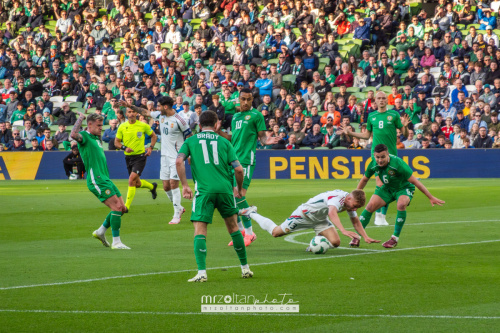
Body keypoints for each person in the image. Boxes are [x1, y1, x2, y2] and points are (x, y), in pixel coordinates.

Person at [175, 110, 252, 282]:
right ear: (217, 124)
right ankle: (245, 268)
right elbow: (239, 169)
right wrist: (238, 188)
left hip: (204, 191)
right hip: (225, 191)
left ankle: (202, 273)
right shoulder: (225, 142)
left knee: (200, 230)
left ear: (200, 125)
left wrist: (185, 186)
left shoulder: (191, 141)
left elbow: (179, 161)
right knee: (233, 228)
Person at [215, 88, 279, 246]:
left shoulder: (256, 116)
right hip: (232, 160)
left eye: (248, 99)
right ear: (239, 99)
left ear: (252, 100)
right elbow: (232, 138)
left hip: (245, 161)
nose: (245, 102)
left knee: (239, 196)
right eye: (242, 99)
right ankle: (243, 231)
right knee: (231, 197)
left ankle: (249, 234)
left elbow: (262, 137)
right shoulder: (235, 116)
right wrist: (219, 132)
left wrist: (267, 141)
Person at [338, 91, 409, 226]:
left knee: (390, 184)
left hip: (392, 154)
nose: (381, 100)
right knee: (380, 182)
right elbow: (366, 135)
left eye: (383, 98)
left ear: (387, 101)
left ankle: (380, 214)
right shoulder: (371, 116)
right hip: (376, 155)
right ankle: (378, 215)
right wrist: (350, 132)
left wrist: (405, 126)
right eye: (379, 98)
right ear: (375, 101)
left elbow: (404, 133)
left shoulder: (394, 115)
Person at [354, 144, 445, 248]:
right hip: (387, 188)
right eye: (377, 157)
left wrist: (430, 197)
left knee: (401, 205)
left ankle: (394, 238)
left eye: (383, 157)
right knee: (370, 206)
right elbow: (364, 179)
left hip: (403, 188)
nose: (380, 160)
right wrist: (356, 196)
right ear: (374, 156)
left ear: (388, 155)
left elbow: (415, 182)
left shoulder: (398, 164)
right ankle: (357, 236)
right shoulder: (373, 164)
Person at [119, 96, 192, 224]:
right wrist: (129, 106)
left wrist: (190, 155)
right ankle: (179, 207)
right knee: (165, 186)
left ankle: (176, 214)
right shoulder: (160, 115)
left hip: (177, 157)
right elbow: (145, 112)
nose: (156, 109)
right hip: (164, 156)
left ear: (165, 107)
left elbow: (190, 137)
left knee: (174, 183)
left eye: (158, 106)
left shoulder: (180, 120)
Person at [239, 189, 379, 252]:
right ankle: (252, 213)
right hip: (304, 215)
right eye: (354, 206)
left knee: (335, 243)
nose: (354, 209)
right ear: (349, 198)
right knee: (275, 232)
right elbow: (331, 212)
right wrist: (342, 230)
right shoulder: (337, 198)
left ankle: (313, 245)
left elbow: (355, 221)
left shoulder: (350, 203)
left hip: (320, 220)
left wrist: (365, 237)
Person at [70, 112, 129, 249]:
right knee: (117, 207)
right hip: (96, 179)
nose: (101, 128)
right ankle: (117, 242)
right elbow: (73, 135)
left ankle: (101, 232)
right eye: (98, 125)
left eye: (102, 125)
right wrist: (80, 118)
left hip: (105, 178)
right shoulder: (84, 136)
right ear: (89, 124)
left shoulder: (97, 138)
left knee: (123, 209)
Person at [114, 107, 158, 211]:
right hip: (128, 157)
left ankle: (126, 207)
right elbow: (116, 142)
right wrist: (124, 147)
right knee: (136, 183)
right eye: (129, 112)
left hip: (140, 157)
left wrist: (150, 148)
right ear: (126, 114)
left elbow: (154, 136)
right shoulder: (122, 126)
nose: (132, 114)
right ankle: (152, 187)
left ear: (137, 113)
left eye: (133, 112)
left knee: (131, 180)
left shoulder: (143, 125)